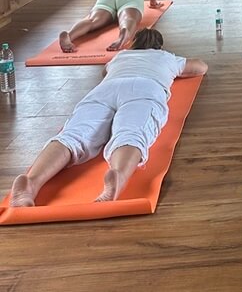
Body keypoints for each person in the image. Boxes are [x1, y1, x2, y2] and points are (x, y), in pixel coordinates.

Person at [9, 28, 208, 207]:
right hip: (145, 87)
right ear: (159, 46)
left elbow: (105, 71)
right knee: (131, 133)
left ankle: (31, 182)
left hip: (106, 89)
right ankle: (118, 176)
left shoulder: (120, 57)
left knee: (73, 135)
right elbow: (200, 67)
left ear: (133, 44)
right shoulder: (167, 57)